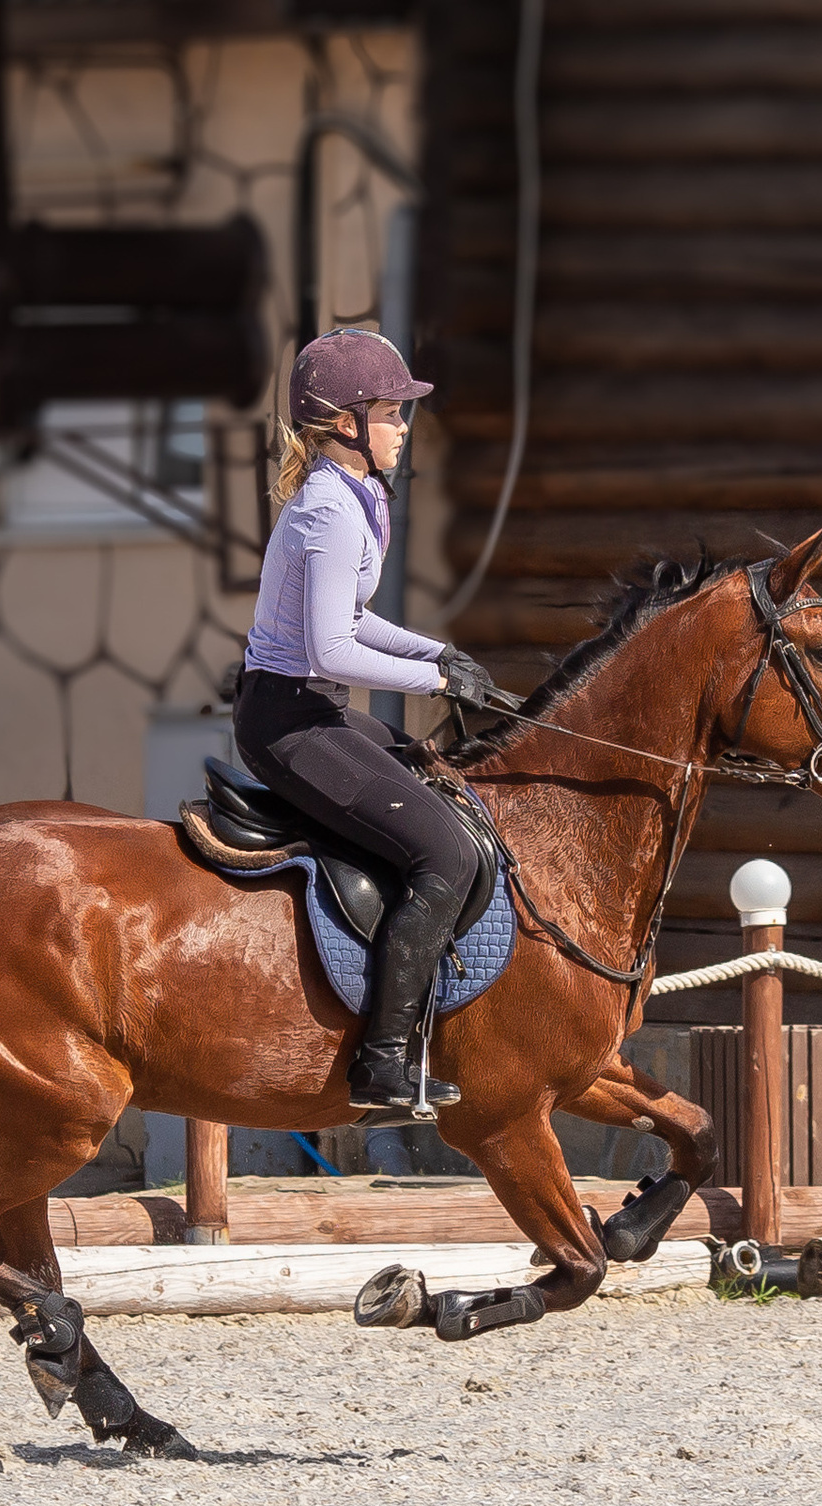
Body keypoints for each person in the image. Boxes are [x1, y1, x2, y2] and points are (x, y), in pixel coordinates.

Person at [233, 328, 512, 1111]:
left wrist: (443, 653)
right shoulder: (329, 509)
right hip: (289, 720)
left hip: (313, 707)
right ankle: (383, 1061)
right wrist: (430, 676)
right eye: (392, 412)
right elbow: (332, 648)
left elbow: (358, 617)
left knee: (430, 769)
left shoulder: (357, 495)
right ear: (346, 421)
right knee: (447, 856)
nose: (403, 426)